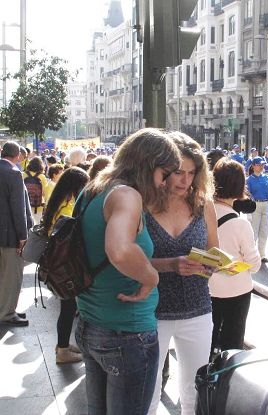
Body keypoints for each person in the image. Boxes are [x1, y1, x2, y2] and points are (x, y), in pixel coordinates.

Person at [75, 128, 181, 415]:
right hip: (126, 335)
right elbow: (119, 250)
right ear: (149, 166)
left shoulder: (94, 189)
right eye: (166, 172)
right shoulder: (126, 195)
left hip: (90, 324)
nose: (166, 182)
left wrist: (169, 265)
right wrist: (152, 278)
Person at [146, 132, 218, 415]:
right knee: (148, 393)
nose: (185, 180)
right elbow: (127, 260)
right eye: (178, 172)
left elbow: (214, 250)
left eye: (191, 173)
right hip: (152, 311)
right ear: (162, 170)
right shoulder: (143, 203)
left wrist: (211, 265)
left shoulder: (204, 205)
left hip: (198, 309)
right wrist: (170, 264)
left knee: (194, 393)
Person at [210, 158, 261, 357]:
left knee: (207, 342)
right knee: (232, 346)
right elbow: (255, 265)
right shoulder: (240, 224)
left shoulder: (200, 214)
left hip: (207, 290)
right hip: (237, 292)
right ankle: (226, 384)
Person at [42, 167, 89, 363]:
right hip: (68, 266)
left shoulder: (55, 202)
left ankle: (62, 345)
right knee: (70, 308)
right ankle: (63, 350)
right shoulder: (71, 206)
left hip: (56, 265)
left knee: (67, 307)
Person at [0, 141, 33, 327]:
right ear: (18, 155)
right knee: (12, 276)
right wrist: (23, 235)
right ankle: (7, 312)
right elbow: (18, 207)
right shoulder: (13, 174)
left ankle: (4, 308)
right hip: (10, 234)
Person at [246, 157, 268, 262]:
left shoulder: (267, 178)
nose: (262, 166)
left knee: (264, 231)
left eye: (262, 165)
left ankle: (262, 254)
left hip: (266, 204)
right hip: (255, 205)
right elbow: (247, 194)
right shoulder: (249, 180)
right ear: (253, 166)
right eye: (259, 165)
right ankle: (252, 255)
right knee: (254, 231)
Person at [23, 156, 49, 225]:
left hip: (24, 204)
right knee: (36, 225)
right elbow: (45, 192)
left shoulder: (23, 174)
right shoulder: (42, 177)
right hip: (38, 206)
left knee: (26, 224)